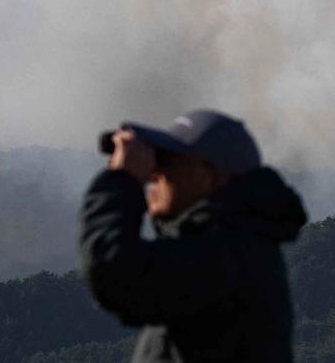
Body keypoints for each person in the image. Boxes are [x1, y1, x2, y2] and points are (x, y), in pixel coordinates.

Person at [79, 109, 307, 362]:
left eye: (167, 160)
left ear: (211, 175)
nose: (153, 174)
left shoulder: (231, 252)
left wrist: (121, 181)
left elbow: (115, 272)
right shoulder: (233, 243)